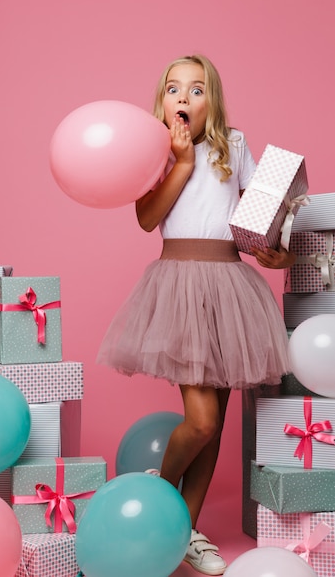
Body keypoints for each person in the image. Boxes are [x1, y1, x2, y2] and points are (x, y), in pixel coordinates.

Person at [97, 54, 296, 575]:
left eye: (197, 90)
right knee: (201, 422)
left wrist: (277, 253)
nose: (183, 98)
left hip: (229, 285)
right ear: (161, 100)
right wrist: (181, 163)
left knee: (218, 422)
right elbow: (146, 220)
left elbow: (256, 224)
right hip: (180, 284)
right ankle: (155, 504)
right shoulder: (154, 151)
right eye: (173, 88)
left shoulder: (236, 145)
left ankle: (183, 530)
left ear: (214, 103)